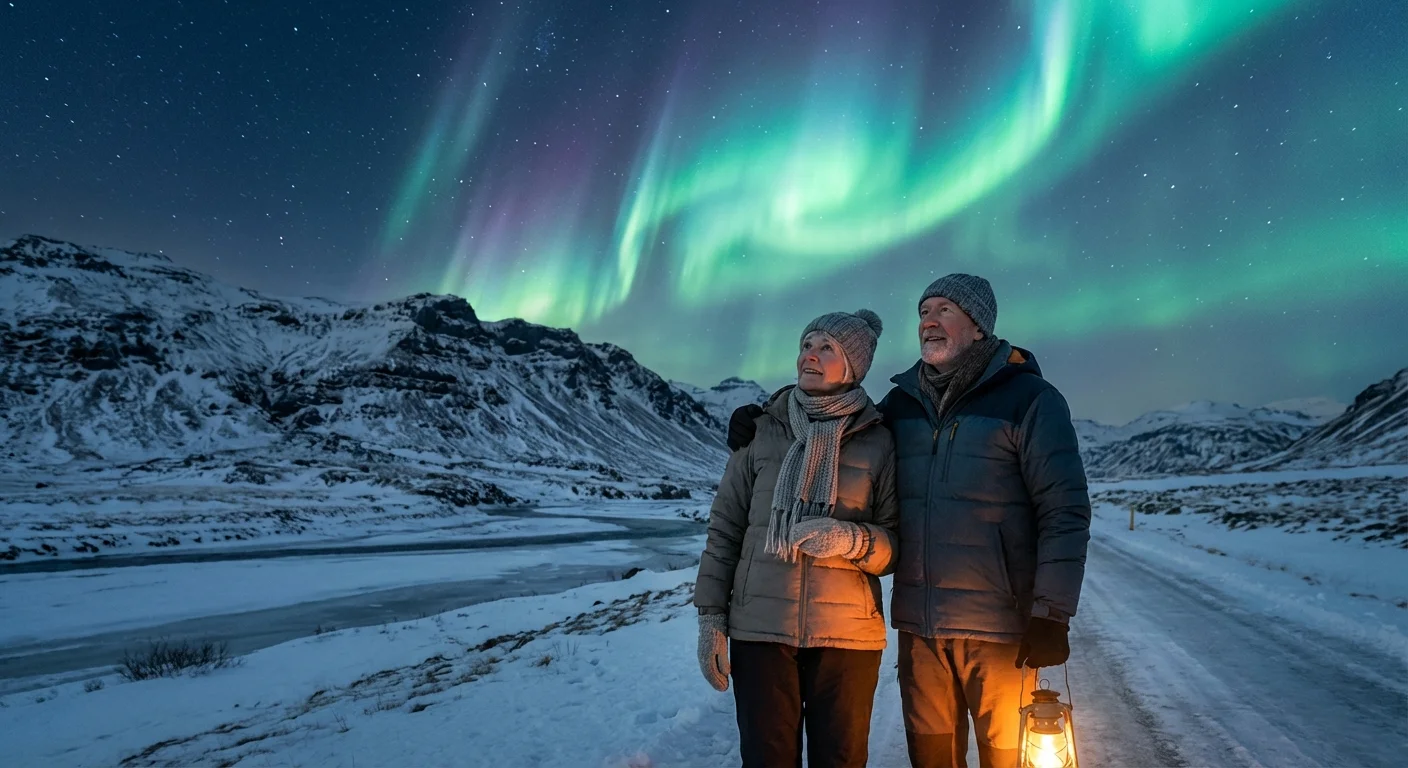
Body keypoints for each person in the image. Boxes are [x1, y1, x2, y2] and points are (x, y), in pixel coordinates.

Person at [728, 275, 1091, 768]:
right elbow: (834, 416)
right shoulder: (901, 406)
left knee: (1009, 758)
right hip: (921, 631)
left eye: (944, 310)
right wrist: (762, 415)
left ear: (979, 325)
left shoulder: (1031, 401)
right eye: (923, 312)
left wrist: (1051, 613)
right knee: (932, 758)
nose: (929, 321)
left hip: (1000, 631)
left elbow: (1064, 510)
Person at [695, 308, 900, 768]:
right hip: (760, 630)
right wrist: (711, 617)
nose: (810, 355)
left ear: (854, 365)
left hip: (847, 639)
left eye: (827, 347)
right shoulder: (760, 429)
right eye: (807, 344)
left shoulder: (879, 440)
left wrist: (849, 540)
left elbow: (894, 547)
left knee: (841, 759)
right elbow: (725, 528)